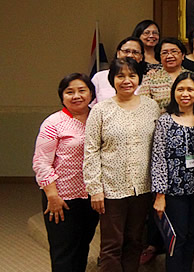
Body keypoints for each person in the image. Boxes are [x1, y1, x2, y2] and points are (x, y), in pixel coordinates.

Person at [83, 57, 161, 271]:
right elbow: (90, 151)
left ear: (139, 79)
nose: (127, 80)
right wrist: (95, 189)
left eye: (132, 75)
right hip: (110, 189)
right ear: (112, 80)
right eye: (120, 76)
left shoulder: (151, 106)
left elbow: (157, 147)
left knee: (135, 241)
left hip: (142, 187)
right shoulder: (100, 110)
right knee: (112, 245)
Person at [32, 73, 99, 272]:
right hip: (61, 198)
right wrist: (52, 196)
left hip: (91, 195)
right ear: (62, 96)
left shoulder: (99, 117)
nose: (76, 96)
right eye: (70, 92)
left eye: (82, 90)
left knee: (82, 248)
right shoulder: (53, 123)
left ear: (91, 93)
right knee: (63, 252)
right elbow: (41, 162)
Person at [151, 72, 194, 272]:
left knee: (193, 237)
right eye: (181, 89)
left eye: (190, 89)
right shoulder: (165, 120)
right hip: (174, 193)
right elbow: (158, 158)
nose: (185, 93)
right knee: (177, 239)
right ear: (174, 92)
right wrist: (160, 194)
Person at [138, 37, 194, 110]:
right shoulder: (149, 78)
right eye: (165, 53)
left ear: (183, 55)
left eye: (174, 51)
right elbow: (144, 106)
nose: (170, 56)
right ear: (160, 57)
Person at [91, 37, 145, 105]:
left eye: (135, 52)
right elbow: (90, 105)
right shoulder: (99, 77)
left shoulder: (146, 80)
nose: (130, 55)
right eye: (126, 51)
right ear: (118, 53)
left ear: (141, 57)